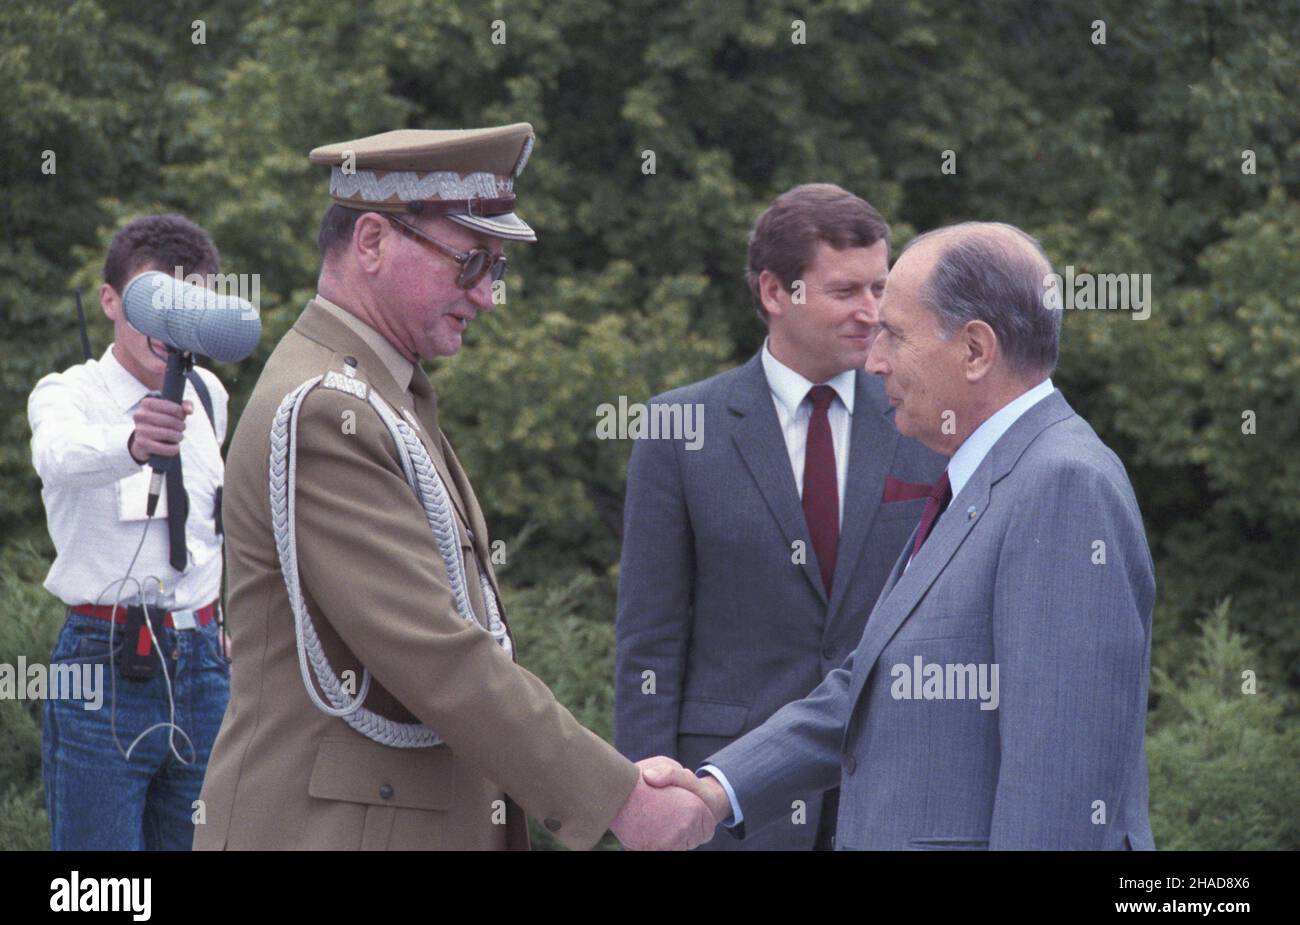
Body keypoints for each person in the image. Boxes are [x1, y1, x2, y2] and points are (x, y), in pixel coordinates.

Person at [194, 123, 711, 851]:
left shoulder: (380, 394)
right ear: (371, 241)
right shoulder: (328, 410)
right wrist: (619, 798)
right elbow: (436, 652)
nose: (489, 298)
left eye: (496, 270)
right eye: (472, 263)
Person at [642, 222, 1157, 850]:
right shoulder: (981, 478)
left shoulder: (1062, 488)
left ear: (975, 350)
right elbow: (871, 683)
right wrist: (718, 789)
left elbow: (1062, 792)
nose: (872, 358)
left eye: (894, 333)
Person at [614, 184, 944, 850]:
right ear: (775, 292)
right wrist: (646, 807)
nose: (871, 312)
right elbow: (649, 637)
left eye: (880, 289)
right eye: (846, 291)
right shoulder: (681, 429)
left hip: (892, 789)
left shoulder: (926, 424)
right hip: (728, 801)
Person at [29, 214, 232, 850]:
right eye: (153, 301)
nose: (169, 327)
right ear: (111, 300)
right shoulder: (68, 393)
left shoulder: (211, 393)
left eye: (188, 303)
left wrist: (229, 624)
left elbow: (211, 526)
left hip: (203, 662)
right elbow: (57, 455)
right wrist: (131, 442)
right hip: (103, 658)